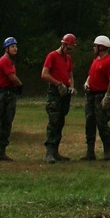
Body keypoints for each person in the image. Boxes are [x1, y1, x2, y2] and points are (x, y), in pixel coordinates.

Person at [41, 32, 76, 163]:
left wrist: (71, 86)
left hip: (65, 92)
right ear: (63, 44)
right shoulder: (52, 56)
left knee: (61, 121)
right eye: (68, 48)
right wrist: (58, 84)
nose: (69, 51)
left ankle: (55, 151)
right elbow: (44, 74)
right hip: (55, 92)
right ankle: (49, 152)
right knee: (54, 121)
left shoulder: (68, 58)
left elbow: (70, 74)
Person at [84, 34, 110, 160]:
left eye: (95, 46)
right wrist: (87, 82)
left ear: (101, 47)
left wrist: (107, 96)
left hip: (101, 95)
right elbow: (91, 74)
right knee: (89, 123)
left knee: (102, 123)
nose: (94, 48)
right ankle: (90, 152)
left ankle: (107, 151)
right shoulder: (96, 60)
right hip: (91, 95)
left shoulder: (109, 61)